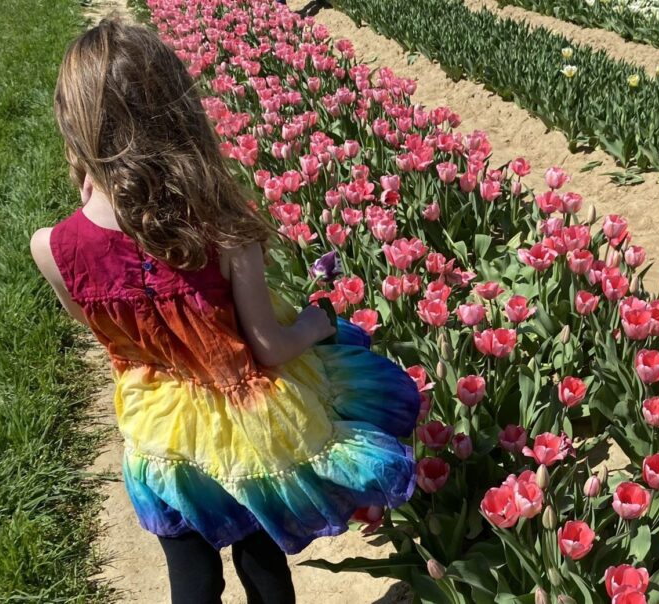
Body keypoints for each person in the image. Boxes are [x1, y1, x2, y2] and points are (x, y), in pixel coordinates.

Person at [31, 19, 420, 604]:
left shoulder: (53, 248)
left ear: (75, 127)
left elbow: (109, 335)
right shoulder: (221, 220)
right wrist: (316, 324)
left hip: (158, 433)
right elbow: (267, 345)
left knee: (189, 572)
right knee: (261, 558)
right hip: (248, 431)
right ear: (177, 112)